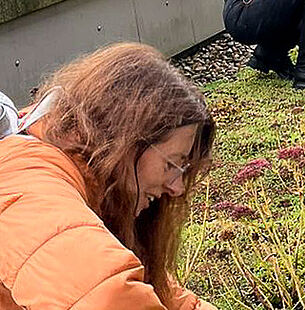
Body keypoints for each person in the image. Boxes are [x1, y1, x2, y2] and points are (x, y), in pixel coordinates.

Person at [0, 43, 217, 310]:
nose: (177, 188)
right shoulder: (30, 186)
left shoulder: (74, 167)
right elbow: (106, 297)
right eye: (173, 164)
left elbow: (157, 292)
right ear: (127, 140)